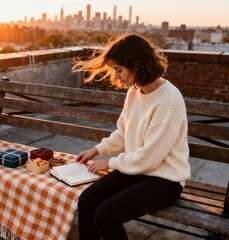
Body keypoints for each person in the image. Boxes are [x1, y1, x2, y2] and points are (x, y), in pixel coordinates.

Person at [72, 33, 191, 240]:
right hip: (138, 170)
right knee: (87, 199)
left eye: (119, 70)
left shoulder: (168, 100)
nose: (116, 77)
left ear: (137, 65)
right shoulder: (135, 92)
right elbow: (123, 132)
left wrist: (110, 162)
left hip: (165, 180)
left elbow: (149, 158)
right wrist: (96, 150)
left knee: (106, 215)